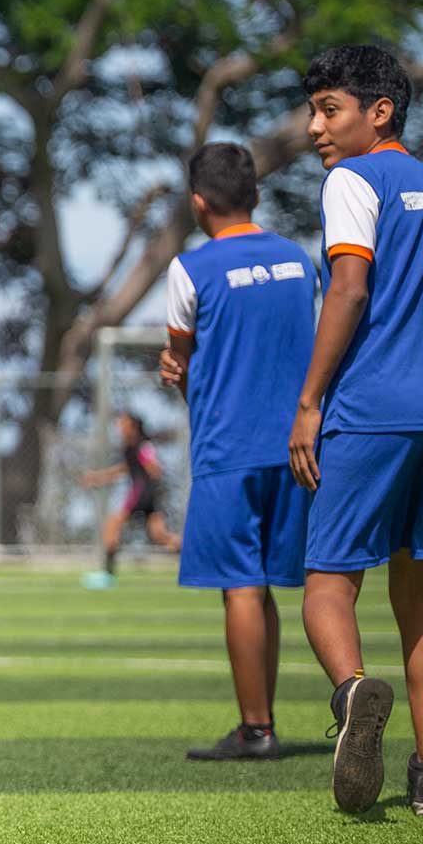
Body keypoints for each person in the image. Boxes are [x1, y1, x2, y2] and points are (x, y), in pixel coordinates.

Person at [283, 45, 423, 816]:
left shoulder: (352, 178)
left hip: (372, 408)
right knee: (421, 591)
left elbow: (347, 290)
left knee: (328, 584)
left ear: (379, 113)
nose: (315, 126)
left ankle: (352, 694)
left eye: (329, 109)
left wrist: (309, 401)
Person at [158, 142, 315, 762]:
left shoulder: (190, 269)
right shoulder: (299, 260)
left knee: (242, 588)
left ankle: (256, 729)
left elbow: (182, 358)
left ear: (199, 202)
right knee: (280, 586)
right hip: (300, 446)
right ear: (254, 194)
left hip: (230, 446)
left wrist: (174, 372)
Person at [79, 410, 181, 587]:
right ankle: (196, 563)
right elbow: (123, 469)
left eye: (123, 423)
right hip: (148, 494)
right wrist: (97, 477)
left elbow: (153, 467)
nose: (119, 427)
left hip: (142, 492)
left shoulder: (142, 445)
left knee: (112, 524)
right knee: (160, 535)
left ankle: (107, 575)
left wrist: (154, 478)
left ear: (133, 426)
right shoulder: (129, 448)